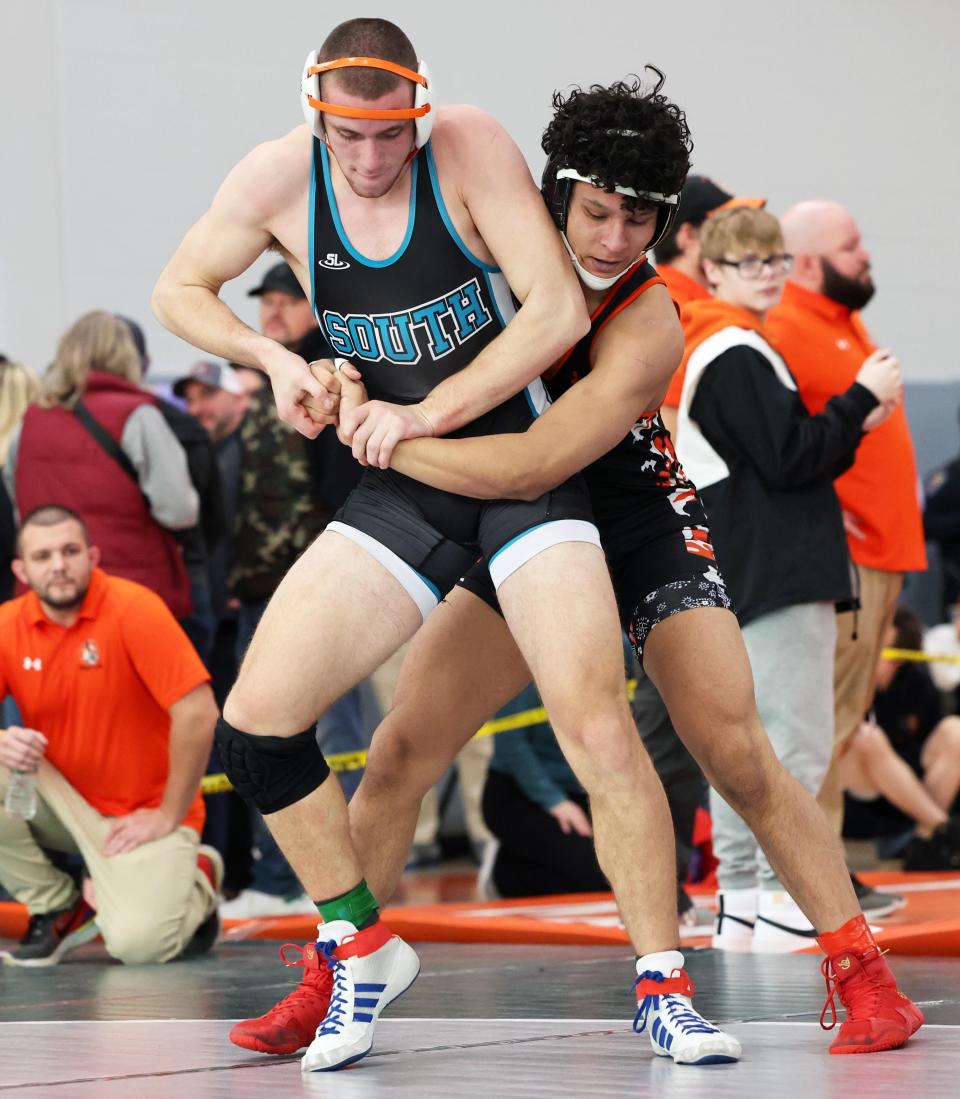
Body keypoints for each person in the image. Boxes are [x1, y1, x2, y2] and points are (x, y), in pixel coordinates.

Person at [234, 74, 921, 1062]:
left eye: (639, 220)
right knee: (399, 750)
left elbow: (538, 457)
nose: (612, 240)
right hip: (517, 524)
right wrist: (343, 381)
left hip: (630, 520)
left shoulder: (649, 320)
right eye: (596, 212)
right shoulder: (494, 256)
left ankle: (863, 974)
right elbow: (387, 325)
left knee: (736, 752)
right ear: (553, 197)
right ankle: (334, 971)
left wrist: (385, 437)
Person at [152, 20, 743, 1071]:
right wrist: (275, 362)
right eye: (350, 138)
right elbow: (177, 289)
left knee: (593, 723)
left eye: (391, 137)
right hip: (405, 486)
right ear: (316, 115)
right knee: (256, 722)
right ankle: (355, 943)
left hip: (519, 469)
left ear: (420, 115)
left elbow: (556, 309)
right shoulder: (279, 178)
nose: (372, 162)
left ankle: (662, 982)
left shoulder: (468, 148)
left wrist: (428, 416)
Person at [673, 206, 902, 950]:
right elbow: (791, 456)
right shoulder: (732, 347)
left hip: (749, 568)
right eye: (749, 263)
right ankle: (778, 897)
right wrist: (861, 401)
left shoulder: (716, 341)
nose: (767, 273)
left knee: (748, 746)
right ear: (713, 270)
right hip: (774, 567)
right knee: (790, 747)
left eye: (774, 260)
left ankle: (744, 898)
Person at [768, 202, 928, 847]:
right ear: (808, 262)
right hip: (845, 557)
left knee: (843, 720)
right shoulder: (782, 328)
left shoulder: (846, 322)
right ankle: (814, 874)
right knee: (818, 720)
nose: (865, 255)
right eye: (851, 245)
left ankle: (826, 866)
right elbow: (791, 447)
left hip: (883, 558)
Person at [0, 505, 221, 966]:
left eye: (70, 550)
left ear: (92, 556)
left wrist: (167, 814)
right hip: (63, 806)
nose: (58, 564)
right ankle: (57, 905)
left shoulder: (134, 608)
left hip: (144, 816)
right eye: (42, 556)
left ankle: (200, 876)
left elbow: (199, 712)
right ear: (21, 570)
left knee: (139, 948)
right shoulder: (7, 624)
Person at [4, 312, 198, 619]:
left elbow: (19, 504)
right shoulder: (138, 415)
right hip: (130, 593)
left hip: (49, 599)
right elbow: (178, 510)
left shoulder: (29, 421)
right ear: (127, 355)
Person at [842, 607, 960, 869]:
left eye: (889, 654)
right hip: (862, 798)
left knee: (955, 730)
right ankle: (944, 831)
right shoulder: (846, 678)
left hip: (911, 797)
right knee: (866, 737)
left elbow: (932, 746)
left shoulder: (916, 681)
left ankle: (925, 842)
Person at [652, 177, 764, 436]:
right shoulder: (669, 310)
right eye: (727, 230)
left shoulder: (700, 306)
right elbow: (668, 424)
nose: (744, 243)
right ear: (688, 236)